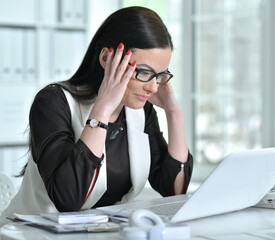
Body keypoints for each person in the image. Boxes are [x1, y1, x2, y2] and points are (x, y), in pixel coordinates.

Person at [0, 6, 193, 225]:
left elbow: (174, 189)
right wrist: (102, 109)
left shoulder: (139, 111)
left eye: (160, 76)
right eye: (145, 72)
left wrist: (173, 112)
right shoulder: (53, 102)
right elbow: (68, 200)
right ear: (106, 58)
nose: (153, 87)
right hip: (30, 233)